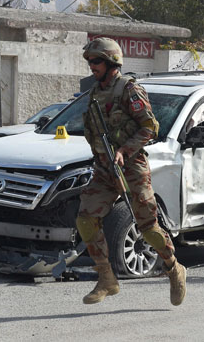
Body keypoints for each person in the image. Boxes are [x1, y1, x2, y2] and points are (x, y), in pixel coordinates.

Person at [77, 37, 186, 305]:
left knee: (147, 227)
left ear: (112, 62)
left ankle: (174, 268)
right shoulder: (95, 93)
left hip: (132, 166)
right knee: (85, 219)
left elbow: (150, 127)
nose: (92, 66)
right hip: (105, 168)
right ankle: (106, 278)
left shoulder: (129, 90)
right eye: (90, 61)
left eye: (97, 61)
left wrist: (124, 150)